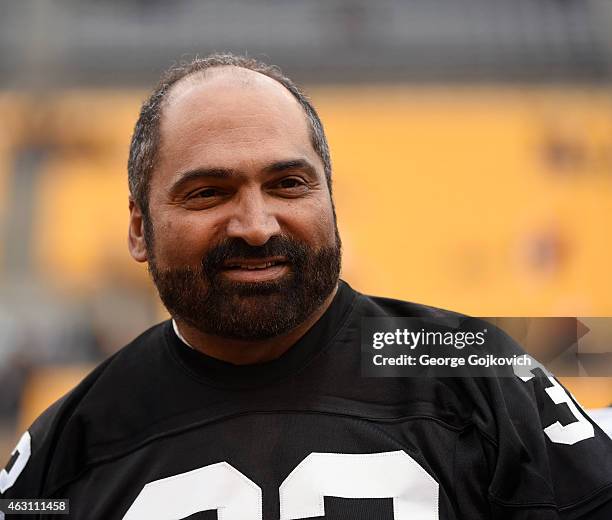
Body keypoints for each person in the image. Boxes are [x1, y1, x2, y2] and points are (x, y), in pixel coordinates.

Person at [1, 53, 611, 519]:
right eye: (208, 193)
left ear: (331, 199)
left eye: (289, 184)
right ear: (139, 228)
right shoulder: (67, 446)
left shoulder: (473, 369)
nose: (257, 226)